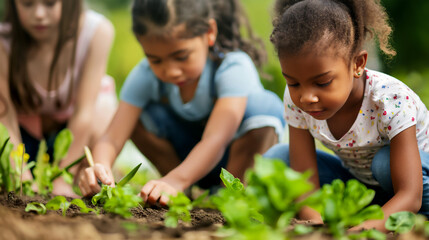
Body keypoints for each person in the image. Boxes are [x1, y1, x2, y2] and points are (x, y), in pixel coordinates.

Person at [78, 0, 285, 205]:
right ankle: (177, 191)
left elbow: (216, 139)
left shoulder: (232, 67)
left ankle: (232, 195)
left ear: (209, 33)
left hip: (231, 159)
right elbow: (112, 138)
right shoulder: (145, 74)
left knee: (263, 109)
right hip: (184, 160)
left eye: (182, 56)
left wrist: (175, 180)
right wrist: (100, 167)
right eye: (155, 60)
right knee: (135, 116)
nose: (171, 71)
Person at [264, 0, 429, 232]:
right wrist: (314, 221)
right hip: (363, 185)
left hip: (415, 185)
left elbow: (411, 194)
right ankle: (382, 212)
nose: (306, 97)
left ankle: (394, 216)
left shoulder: (390, 100)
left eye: (322, 82)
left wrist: (364, 230)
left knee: (382, 164)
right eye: (293, 82)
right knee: (278, 158)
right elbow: (304, 177)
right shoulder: (297, 100)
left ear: (357, 64)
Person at [0, 0, 117, 197]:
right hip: (24, 135)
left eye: (50, 3)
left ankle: (82, 173)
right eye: (27, 4)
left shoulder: (97, 32)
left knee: (104, 106)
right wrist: (22, 178)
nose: (38, 14)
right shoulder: (4, 41)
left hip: (77, 134)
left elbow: (84, 112)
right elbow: (5, 114)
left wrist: (63, 179)